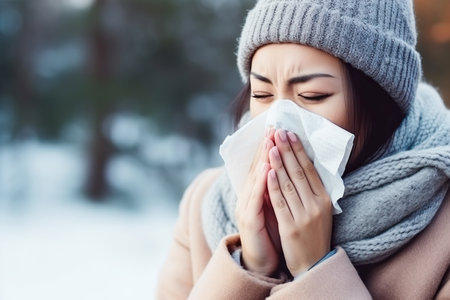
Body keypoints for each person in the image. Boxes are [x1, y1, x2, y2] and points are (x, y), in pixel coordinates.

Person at [156, 0, 450, 298]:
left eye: (312, 95)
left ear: (380, 102)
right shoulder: (206, 203)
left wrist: (315, 270)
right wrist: (250, 268)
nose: (279, 123)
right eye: (262, 93)